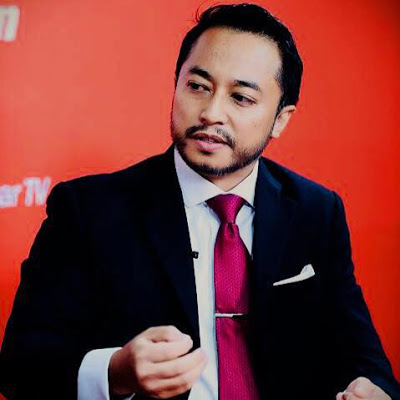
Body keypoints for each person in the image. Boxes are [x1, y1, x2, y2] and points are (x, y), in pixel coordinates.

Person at [0, 3, 399, 400]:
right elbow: (20, 369)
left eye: (241, 97)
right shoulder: (88, 210)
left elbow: (364, 356)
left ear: (281, 118)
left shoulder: (316, 211)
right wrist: (114, 372)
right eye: (197, 86)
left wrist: (374, 389)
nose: (211, 113)